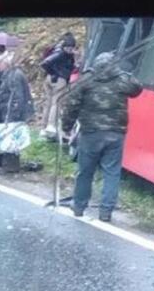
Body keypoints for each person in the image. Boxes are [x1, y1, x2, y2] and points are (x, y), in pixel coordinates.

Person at [61, 52, 142, 222]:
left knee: (85, 171)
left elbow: (71, 103)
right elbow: (137, 89)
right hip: (115, 133)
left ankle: (79, 206)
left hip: (91, 132)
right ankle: (106, 211)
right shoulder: (122, 79)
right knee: (112, 172)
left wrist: (66, 127)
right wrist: (122, 72)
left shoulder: (87, 79)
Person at [0, 52, 34, 173]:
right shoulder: (11, 74)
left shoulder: (14, 76)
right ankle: (10, 165)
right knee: (10, 138)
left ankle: (10, 167)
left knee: (11, 138)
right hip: (10, 110)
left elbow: (17, 96)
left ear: (5, 63)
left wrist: (13, 113)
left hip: (13, 112)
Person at [39, 32, 78, 140]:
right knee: (56, 103)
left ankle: (43, 128)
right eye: (69, 48)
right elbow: (44, 63)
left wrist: (52, 74)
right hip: (59, 79)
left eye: (72, 48)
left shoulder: (57, 50)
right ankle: (51, 126)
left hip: (50, 79)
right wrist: (55, 74)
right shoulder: (61, 54)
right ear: (65, 46)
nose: (70, 50)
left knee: (48, 103)